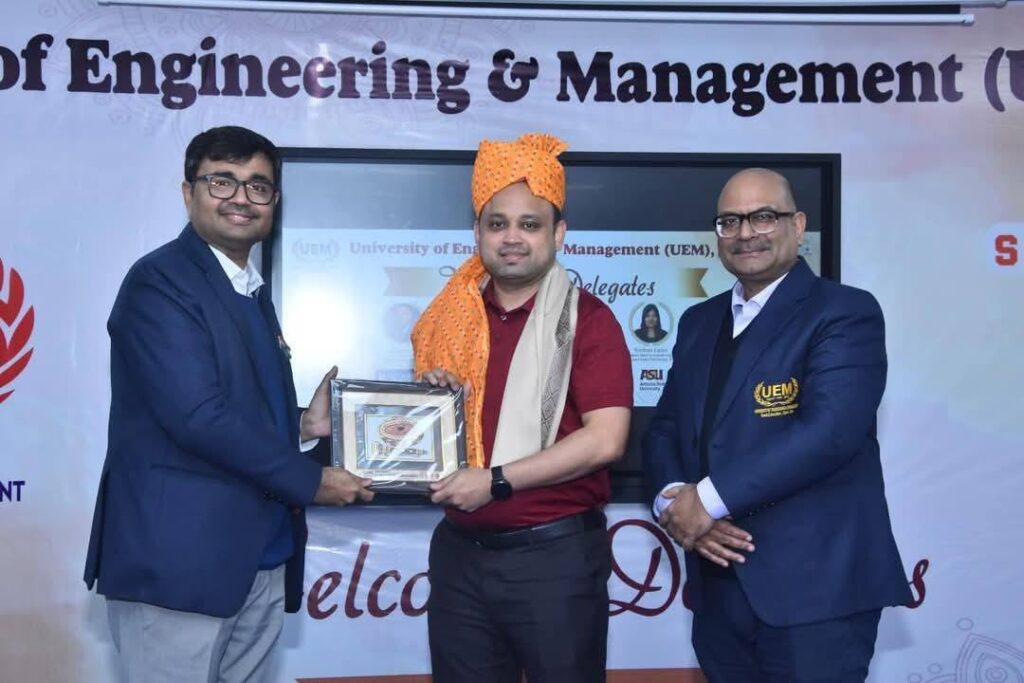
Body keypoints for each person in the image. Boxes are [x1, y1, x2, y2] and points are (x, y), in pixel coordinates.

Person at [83, 125, 374, 683]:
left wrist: (303, 425)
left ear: (274, 202)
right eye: (222, 181)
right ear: (188, 192)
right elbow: (197, 417)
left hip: (258, 559)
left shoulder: (247, 287)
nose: (241, 197)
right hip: (180, 566)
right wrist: (312, 481)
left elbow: (231, 406)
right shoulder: (159, 283)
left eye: (258, 186)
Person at [643, 168, 911, 682]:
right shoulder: (699, 322)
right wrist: (673, 500)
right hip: (718, 590)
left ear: (798, 225)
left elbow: (829, 433)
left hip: (815, 592)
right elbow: (665, 428)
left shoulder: (844, 312)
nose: (745, 233)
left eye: (763, 216)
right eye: (730, 221)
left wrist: (706, 502)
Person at [411, 133, 633, 683]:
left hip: (553, 563)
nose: (511, 238)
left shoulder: (589, 321)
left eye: (529, 224)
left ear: (558, 234)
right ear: (477, 234)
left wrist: (497, 481)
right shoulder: (451, 321)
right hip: (460, 555)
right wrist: (435, 402)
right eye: (497, 223)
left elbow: (606, 440)